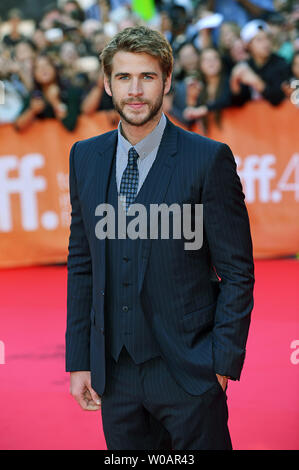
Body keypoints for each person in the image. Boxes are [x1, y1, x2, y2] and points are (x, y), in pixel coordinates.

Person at [66, 25, 255, 450]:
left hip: (189, 371)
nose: (135, 90)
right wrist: (80, 361)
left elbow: (238, 273)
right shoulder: (85, 156)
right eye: (123, 77)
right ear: (106, 82)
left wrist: (220, 365)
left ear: (167, 81)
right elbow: (82, 263)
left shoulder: (208, 160)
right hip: (115, 375)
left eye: (147, 77)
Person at [230, 19, 290, 105]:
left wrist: (255, 81)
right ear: (248, 44)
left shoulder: (281, 63)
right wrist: (234, 82)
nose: (266, 43)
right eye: (259, 40)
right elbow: (237, 103)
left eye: (267, 38)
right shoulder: (245, 66)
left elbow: (278, 98)